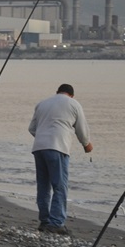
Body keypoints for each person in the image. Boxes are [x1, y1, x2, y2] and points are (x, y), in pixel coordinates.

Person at [28, 84, 93, 235]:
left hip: (39, 147)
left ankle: (44, 221)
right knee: (60, 186)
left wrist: (43, 138)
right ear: (71, 95)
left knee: (43, 186)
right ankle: (56, 222)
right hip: (58, 147)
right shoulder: (73, 104)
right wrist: (86, 144)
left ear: (57, 92)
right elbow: (81, 128)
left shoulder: (42, 104)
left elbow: (32, 128)